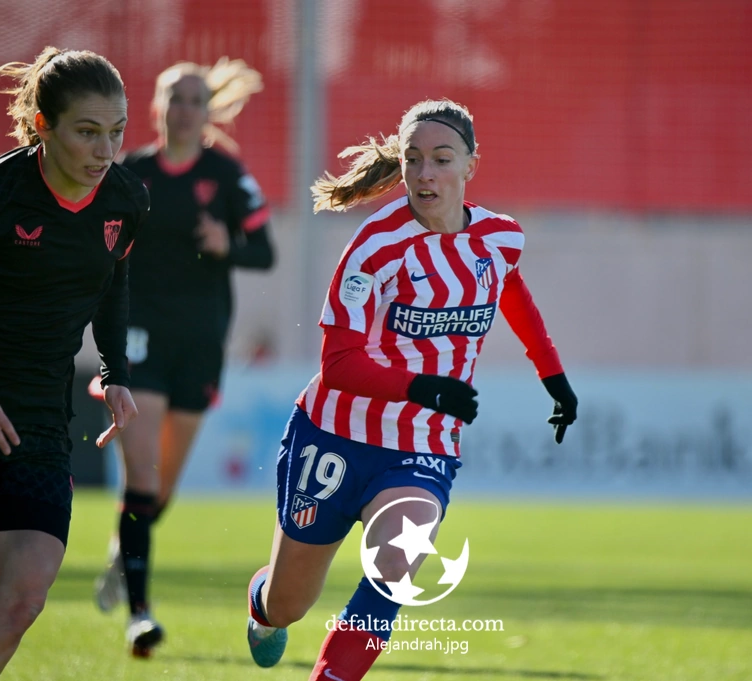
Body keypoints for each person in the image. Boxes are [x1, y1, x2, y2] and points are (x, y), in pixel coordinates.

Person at [244, 99, 579, 680]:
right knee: (289, 603)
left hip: (423, 444)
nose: (426, 174)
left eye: (442, 159)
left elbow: (511, 291)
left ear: (471, 164)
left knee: (396, 568)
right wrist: (424, 388)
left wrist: (554, 377)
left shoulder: (500, 238)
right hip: (335, 436)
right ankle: (263, 607)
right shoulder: (374, 247)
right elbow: (339, 364)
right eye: (413, 159)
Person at [0, 47, 146, 681]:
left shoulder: (125, 198)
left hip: (35, 426)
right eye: (87, 132)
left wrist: (115, 371)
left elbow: (112, 283)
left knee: (20, 601)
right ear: (44, 126)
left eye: (117, 132)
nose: (105, 151)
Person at [91, 57, 274, 657]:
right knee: (142, 480)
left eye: (196, 99)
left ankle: (123, 552)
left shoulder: (227, 174)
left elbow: (264, 251)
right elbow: (101, 246)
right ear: (157, 107)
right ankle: (140, 616)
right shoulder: (131, 173)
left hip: (199, 345)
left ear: (208, 111)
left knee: (160, 491)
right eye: (176, 97)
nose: (186, 108)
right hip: (140, 339)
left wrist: (228, 244)